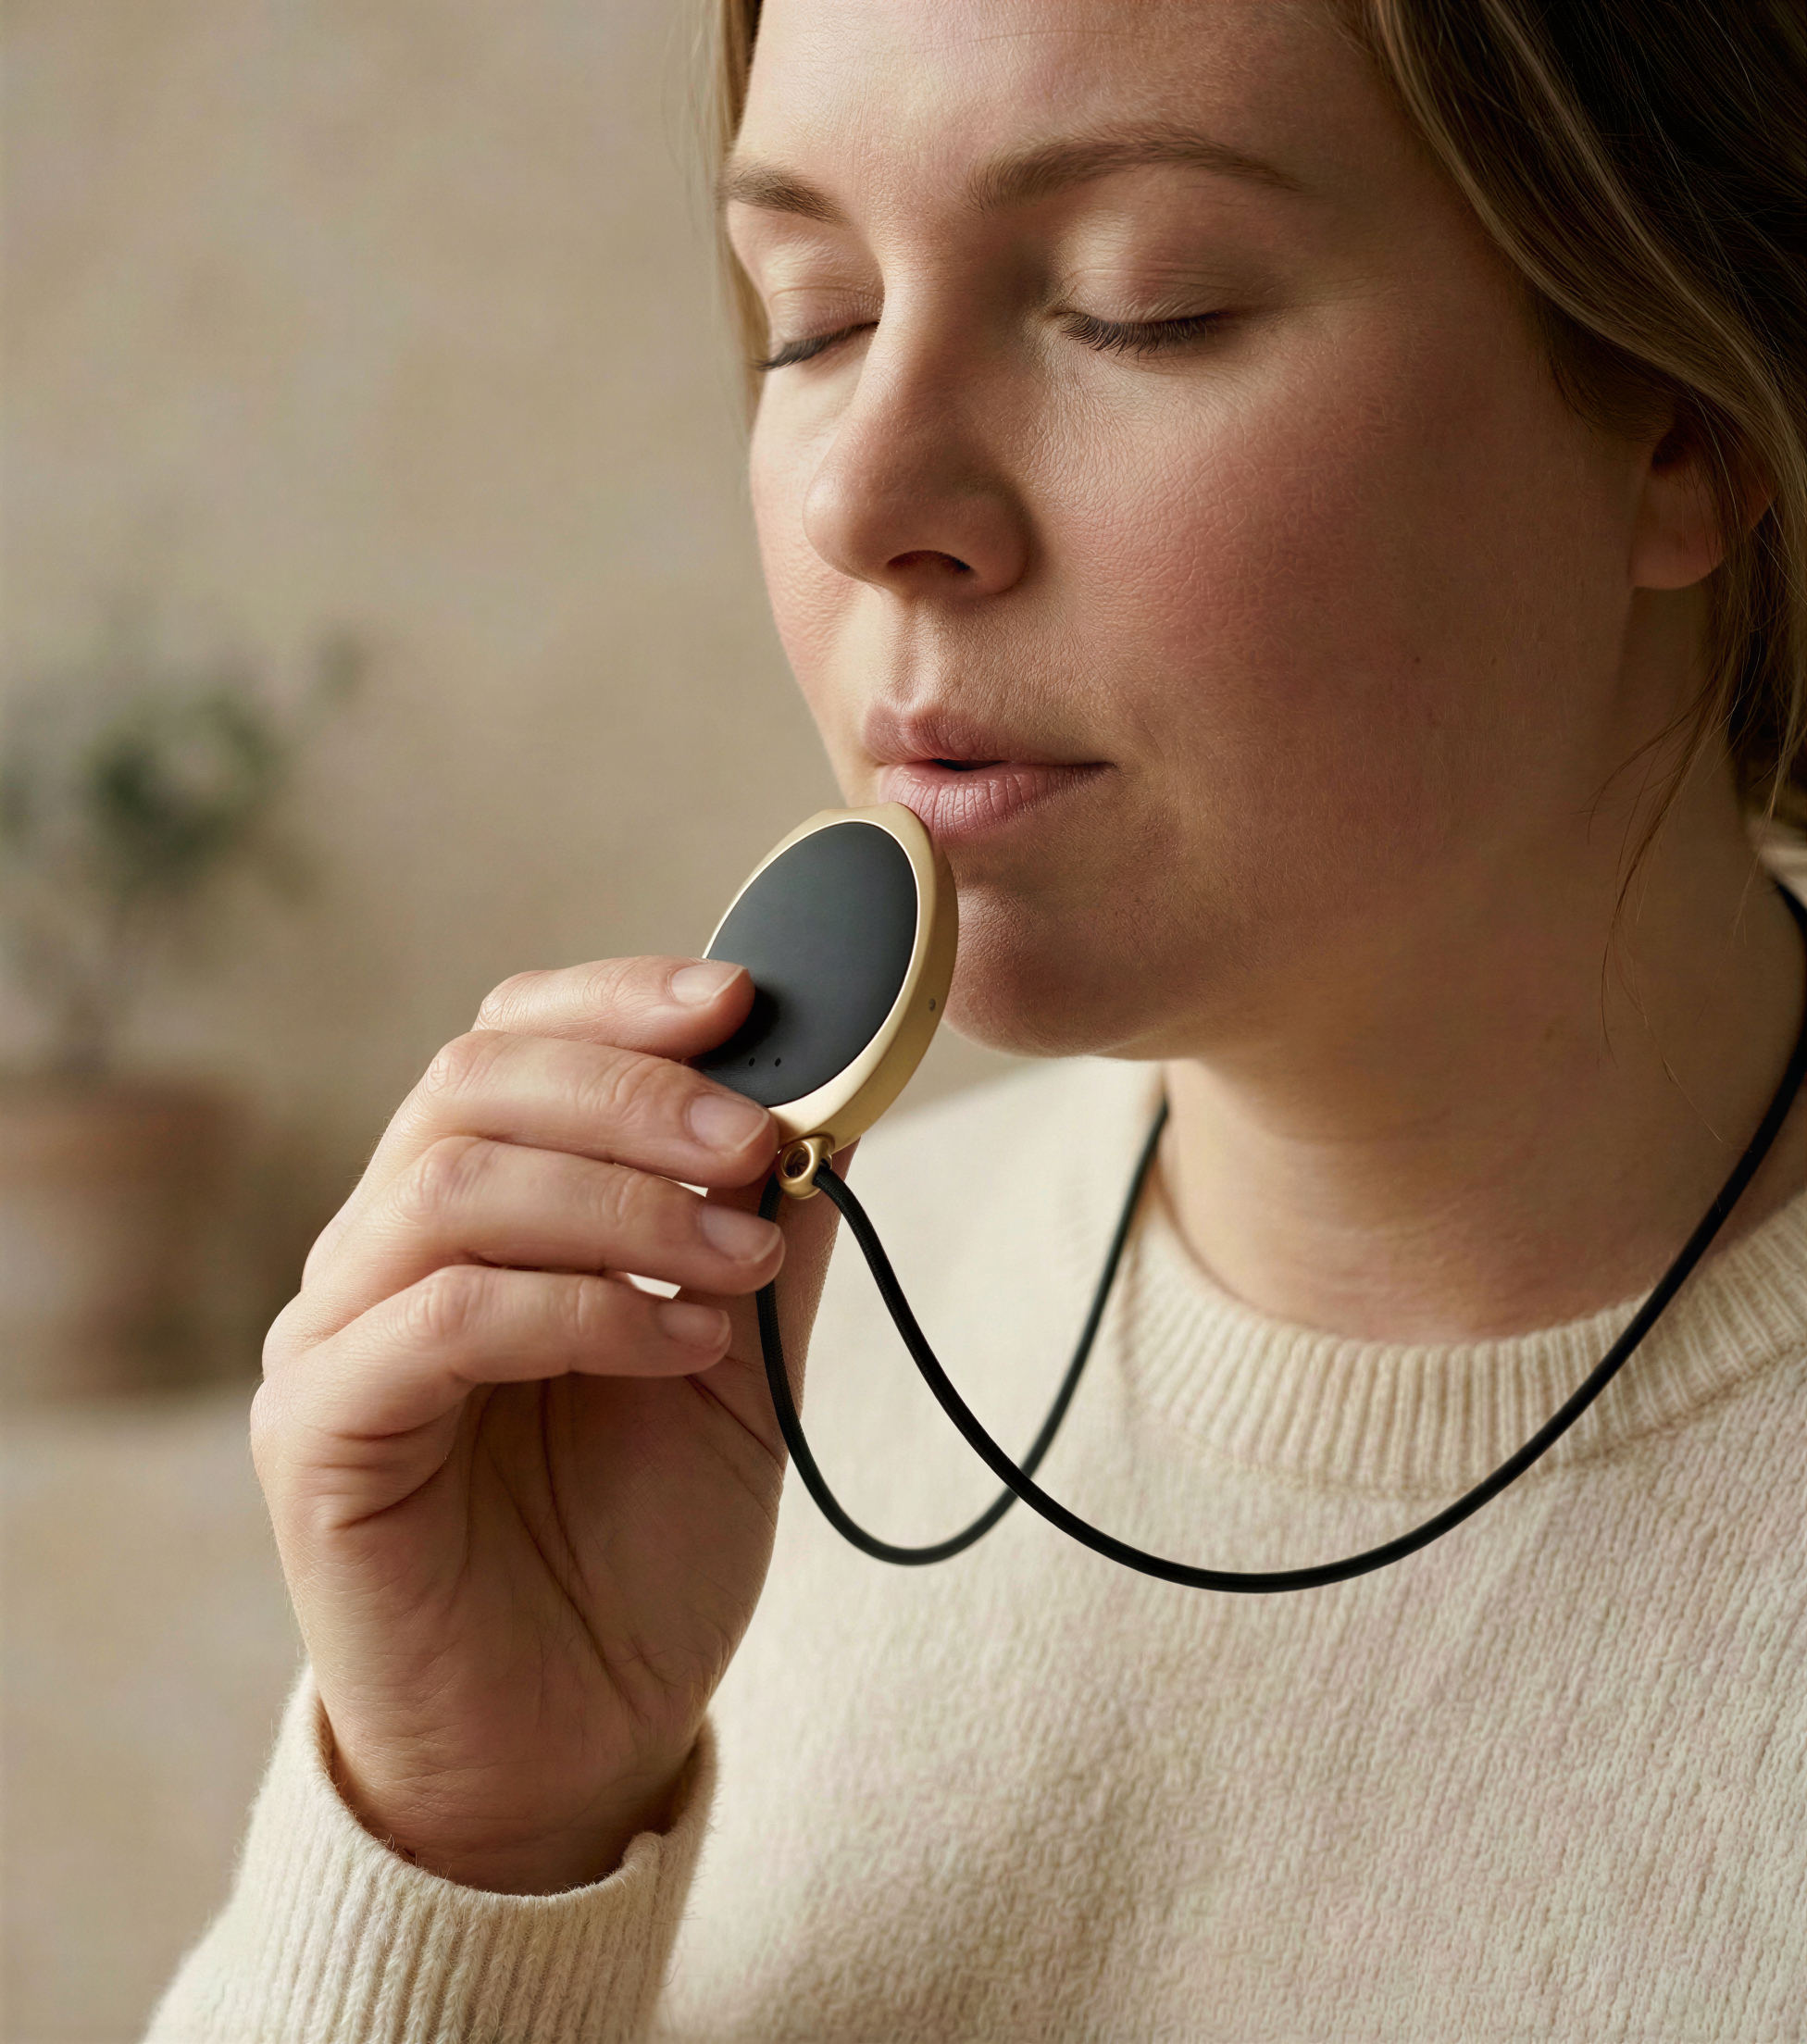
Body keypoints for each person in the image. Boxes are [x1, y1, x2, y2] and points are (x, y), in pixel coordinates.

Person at [151, 0, 1807, 2036]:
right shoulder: (685, 1373)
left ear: (1685, 421)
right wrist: (469, 1842)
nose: (865, 496)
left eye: (1141, 304)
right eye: (816, 317)